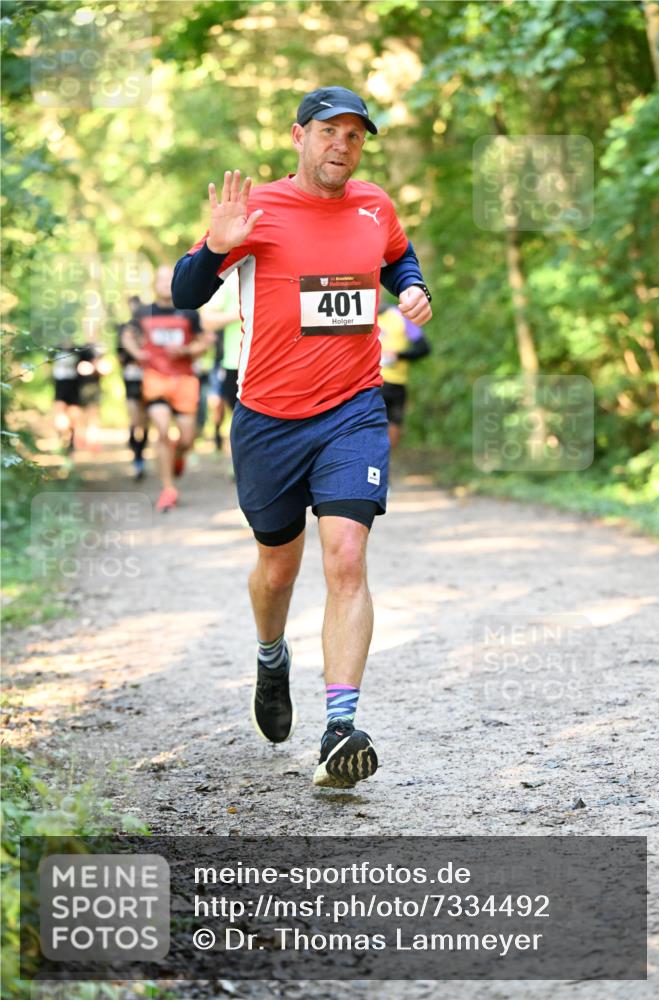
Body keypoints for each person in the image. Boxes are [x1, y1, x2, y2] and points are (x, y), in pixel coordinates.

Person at [172, 86, 432, 787]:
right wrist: (212, 250)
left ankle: (339, 729)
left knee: (345, 556)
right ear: (298, 136)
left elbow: (397, 260)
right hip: (267, 421)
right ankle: (269, 655)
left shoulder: (375, 204)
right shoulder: (258, 210)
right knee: (277, 570)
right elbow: (185, 294)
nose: (342, 145)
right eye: (329, 132)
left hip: (352, 410)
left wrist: (411, 288)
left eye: (354, 135)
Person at [121, 265, 208, 512]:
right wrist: (138, 353)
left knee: (187, 438)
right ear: (154, 284)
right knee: (161, 429)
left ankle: (178, 457)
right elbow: (126, 335)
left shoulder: (190, 311)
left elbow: (204, 341)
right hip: (156, 377)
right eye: (160, 279)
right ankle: (168, 489)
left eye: (169, 279)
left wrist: (188, 350)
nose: (164, 283)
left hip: (184, 379)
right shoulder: (143, 311)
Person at [378, 300, 431, 450]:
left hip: (392, 382)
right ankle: (384, 466)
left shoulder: (400, 316)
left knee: (391, 425)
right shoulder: (361, 317)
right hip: (375, 382)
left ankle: (382, 466)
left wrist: (398, 355)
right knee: (392, 424)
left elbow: (424, 348)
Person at [201, 269, 242, 452]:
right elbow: (207, 319)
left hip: (277, 360)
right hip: (235, 362)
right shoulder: (232, 277)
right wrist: (240, 313)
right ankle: (238, 464)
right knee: (238, 418)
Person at [117, 295, 148, 480]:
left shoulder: (149, 326)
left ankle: (139, 457)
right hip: (130, 377)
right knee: (134, 417)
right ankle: (132, 444)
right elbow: (119, 356)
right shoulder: (124, 329)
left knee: (144, 420)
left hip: (147, 377)